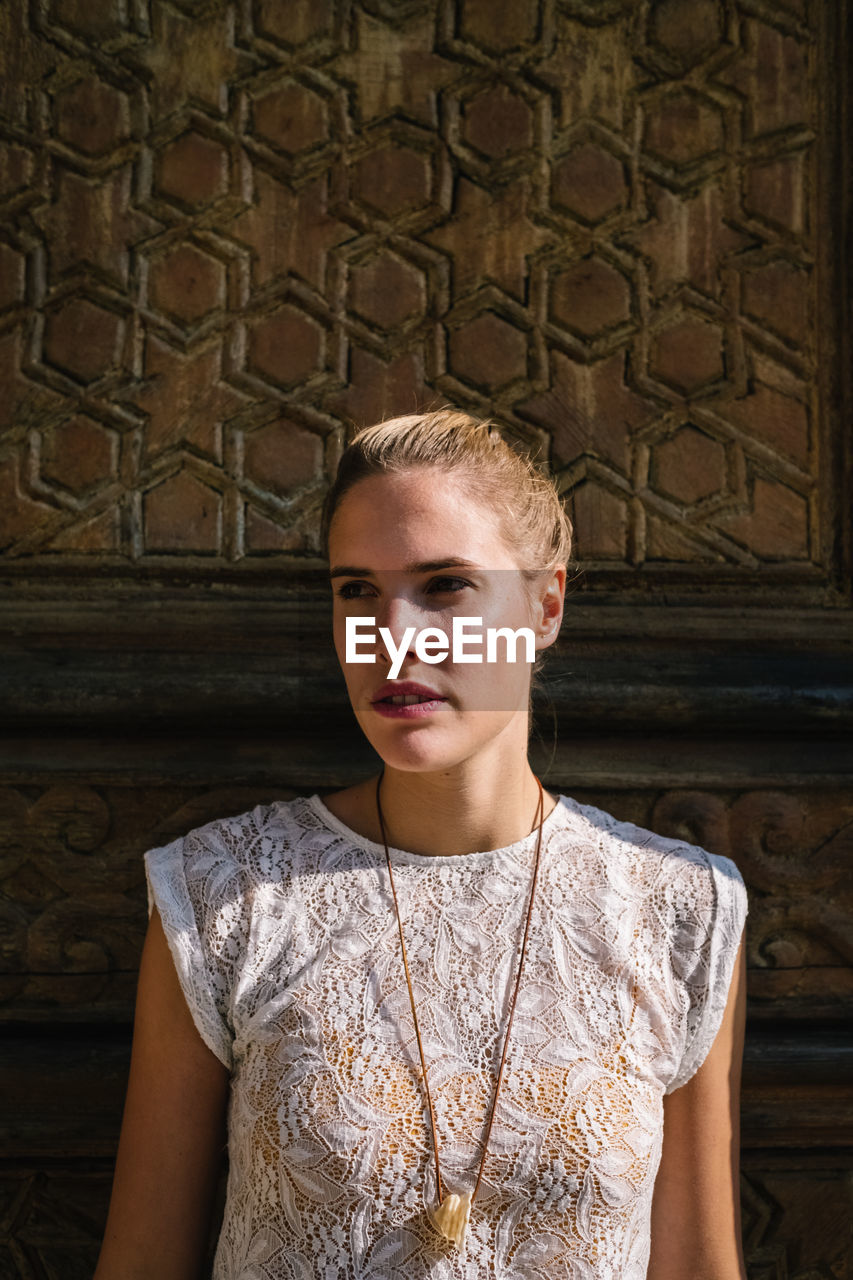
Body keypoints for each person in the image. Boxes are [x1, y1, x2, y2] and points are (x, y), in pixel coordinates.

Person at [94, 409, 749, 1280]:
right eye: (356, 590)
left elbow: (702, 1267)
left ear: (543, 605)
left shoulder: (679, 910)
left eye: (444, 585)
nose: (391, 639)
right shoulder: (224, 896)